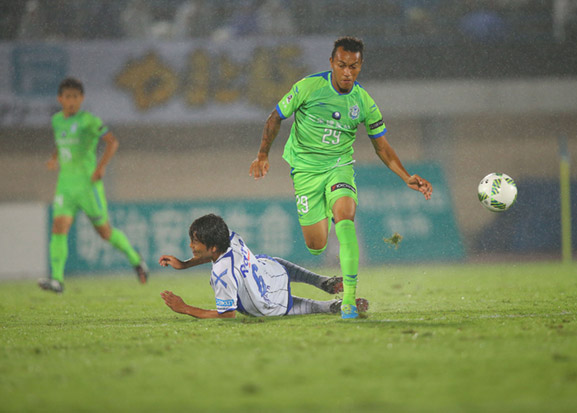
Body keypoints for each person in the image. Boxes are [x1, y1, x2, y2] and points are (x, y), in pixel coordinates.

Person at [249, 36, 432, 319]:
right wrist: (263, 155)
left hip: (339, 167)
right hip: (306, 171)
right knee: (316, 245)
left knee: (345, 219)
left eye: (354, 66)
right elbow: (275, 117)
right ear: (332, 63)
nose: (347, 72)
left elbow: (382, 146)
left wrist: (405, 176)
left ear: (361, 66)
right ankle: (325, 210)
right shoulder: (308, 87)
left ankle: (348, 301)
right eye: (342, 65)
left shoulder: (364, 101)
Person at [38, 77, 148, 293]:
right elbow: (62, 142)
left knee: (105, 233)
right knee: (58, 227)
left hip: (88, 186)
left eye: (75, 97)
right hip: (65, 186)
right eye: (67, 97)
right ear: (60, 99)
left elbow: (112, 142)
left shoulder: (88, 120)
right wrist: (54, 158)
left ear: (81, 98)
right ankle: (57, 280)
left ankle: (136, 259)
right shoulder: (57, 121)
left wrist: (101, 167)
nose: (71, 101)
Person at [159, 213, 368, 319]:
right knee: (273, 262)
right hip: (270, 273)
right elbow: (214, 254)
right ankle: (321, 281)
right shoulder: (229, 237)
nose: (191, 246)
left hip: (267, 304)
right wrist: (184, 264)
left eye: (195, 242)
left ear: (212, 246)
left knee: (292, 305)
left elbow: (227, 315)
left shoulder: (222, 274)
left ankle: (327, 306)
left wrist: (185, 308)